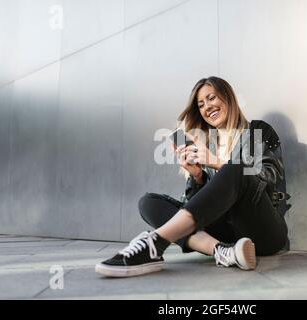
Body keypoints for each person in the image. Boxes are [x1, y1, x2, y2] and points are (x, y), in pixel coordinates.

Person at [95, 76, 290, 277]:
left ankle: (154, 244)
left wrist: (216, 162)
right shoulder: (207, 143)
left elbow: (269, 177)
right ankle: (222, 251)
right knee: (148, 203)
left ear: (228, 97)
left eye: (212, 98)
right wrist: (197, 177)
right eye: (201, 104)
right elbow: (196, 207)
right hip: (225, 234)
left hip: (264, 232)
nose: (207, 107)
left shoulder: (256, 130)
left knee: (236, 168)